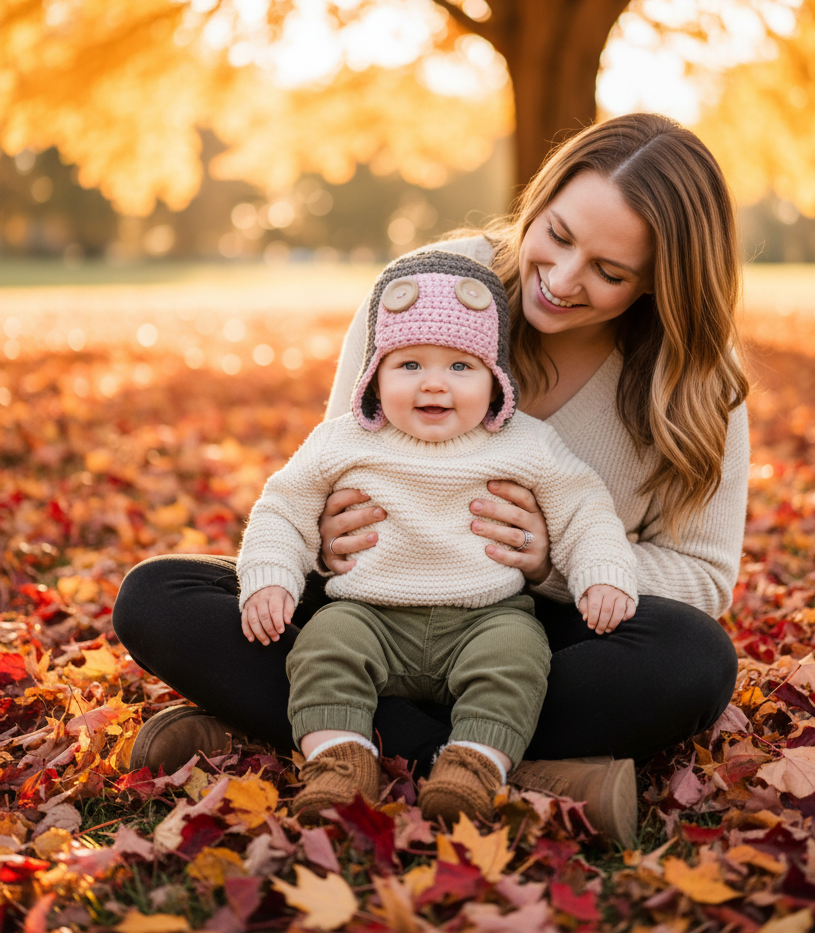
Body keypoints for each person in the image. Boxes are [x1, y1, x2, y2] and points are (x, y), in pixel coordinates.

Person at [114, 113, 749, 848]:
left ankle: (310, 735)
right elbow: (342, 453)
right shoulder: (428, 288)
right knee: (158, 596)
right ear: (539, 202)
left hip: (534, 630)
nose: (564, 280)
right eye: (560, 236)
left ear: (659, 284)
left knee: (695, 660)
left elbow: (704, 577)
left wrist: (551, 564)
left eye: (610, 273)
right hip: (376, 598)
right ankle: (511, 772)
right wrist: (318, 540)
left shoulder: (696, 378)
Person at [236, 252, 637, 824]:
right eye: (408, 366)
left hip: (486, 618)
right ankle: (338, 764)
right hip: (369, 615)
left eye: (459, 367)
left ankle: (470, 768)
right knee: (321, 647)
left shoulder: (526, 443)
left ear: (494, 380)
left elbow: (584, 508)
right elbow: (283, 507)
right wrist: (272, 577)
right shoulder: (343, 441)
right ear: (374, 374)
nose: (433, 384)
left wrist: (601, 571)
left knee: (518, 660)